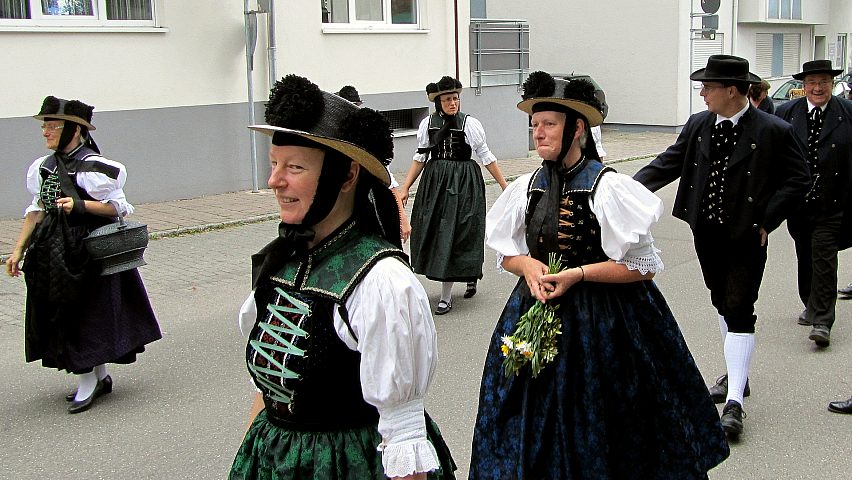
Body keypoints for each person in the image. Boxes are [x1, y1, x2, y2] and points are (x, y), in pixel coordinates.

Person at [469, 71, 729, 479]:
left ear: (577, 129)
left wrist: (577, 275)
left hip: (607, 321)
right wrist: (527, 266)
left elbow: (642, 268)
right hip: (533, 309)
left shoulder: (608, 188)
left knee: (610, 421)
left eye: (548, 124)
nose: (538, 134)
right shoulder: (526, 187)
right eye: (534, 125)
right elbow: (506, 254)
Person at [230, 75, 455, 480]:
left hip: (348, 464)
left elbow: (404, 432)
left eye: (294, 167)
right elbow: (267, 393)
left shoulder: (382, 282)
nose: (275, 181)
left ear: (346, 176)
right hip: (273, 459)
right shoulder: (283, 260)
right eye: (274, 164)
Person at [634, 55, 810, 437]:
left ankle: (734, 403)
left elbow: (799, 179)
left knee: (739, 305)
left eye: (708, 87)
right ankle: (737, 375)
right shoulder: (699, 124)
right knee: (721, 300)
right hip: (706, 232)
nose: (702, 93)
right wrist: (622, 191)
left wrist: (768, 220)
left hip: (747, 234)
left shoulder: (773, 130)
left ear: (732, 90)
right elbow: (668, 163)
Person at [5, 96, 161, 414]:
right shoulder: (43, 167)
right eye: (45, 125)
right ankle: (100, 377)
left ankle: (88, 381)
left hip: (86, 251)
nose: (45, 131)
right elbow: (35, 211)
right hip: (52, 250)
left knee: (85, 314)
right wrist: (18, 250)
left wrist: (80, 205)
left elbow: (117, 207)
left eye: (53, 125)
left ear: (74, 130)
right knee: (61, 312)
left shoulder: (94, 167)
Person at [399, 76, 508, 315]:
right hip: (436, 182)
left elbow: (486, 156)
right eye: (448, 99)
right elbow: (420, 158)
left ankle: (465, 279)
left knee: (465, 228)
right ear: (438, 102)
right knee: (439, 231)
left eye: (456, 98)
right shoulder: (428, 124)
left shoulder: (469, 123)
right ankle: (447, 290)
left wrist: (504, 186)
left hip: (464, 181)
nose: (453, 103)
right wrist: (405, 187)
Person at [774, 60, 852, 347]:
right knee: (805, 254)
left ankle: (823, 320)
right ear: (803, 86)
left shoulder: (847, 113)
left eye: (824, 82)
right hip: (798, 203)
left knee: (824, 257)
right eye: (812, 82)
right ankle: (810, 303)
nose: (818, 88)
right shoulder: (786, 113)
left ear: (832, 84)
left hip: (834, 201)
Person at [336, 84, 412, 243]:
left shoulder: (370, 137)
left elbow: (388, 181)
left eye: (356, 107)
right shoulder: (333, 140)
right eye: (349, 107)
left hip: (373, 208)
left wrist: (403, 219)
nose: (354, 112)